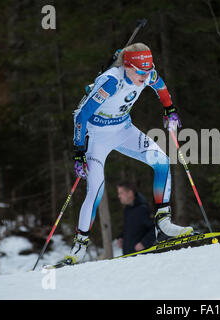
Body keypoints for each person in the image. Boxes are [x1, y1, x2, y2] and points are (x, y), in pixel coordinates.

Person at [60, 43, 193, 265]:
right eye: (140, 72)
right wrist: (78, 151)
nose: (145, 76)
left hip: (124, 130)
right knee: (96, 188)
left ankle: (163, 221)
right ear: (127, 67)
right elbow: (81, 116)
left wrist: (169, 110)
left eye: (148, 70)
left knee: (162, 162)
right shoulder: (111, 82)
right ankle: (79, 246)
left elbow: (160, 86)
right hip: (98, 136)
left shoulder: (147, 73)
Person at [116, 182, 155, 255]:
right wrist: (121, 237)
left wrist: (144, 243)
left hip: (142, 257)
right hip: (128, 256)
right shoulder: (127, 209)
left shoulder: (143, 209)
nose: (119, 196)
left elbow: (155, 229)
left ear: (130, 193)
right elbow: (130, 229)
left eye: (121, 193)